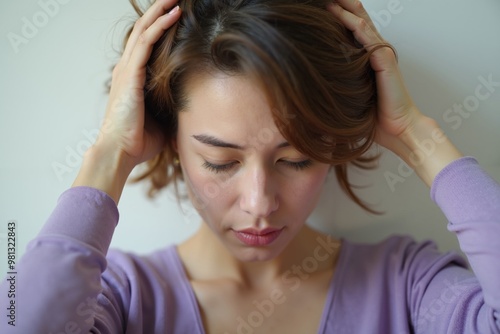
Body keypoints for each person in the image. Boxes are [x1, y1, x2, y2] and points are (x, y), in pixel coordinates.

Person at [1, 0, 499, 332]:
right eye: (220, 162)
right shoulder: (122, 301)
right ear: (170, 141)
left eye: (297, 158)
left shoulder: (408, 288)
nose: (260, 202)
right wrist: (109, 152)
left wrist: (418, 136)